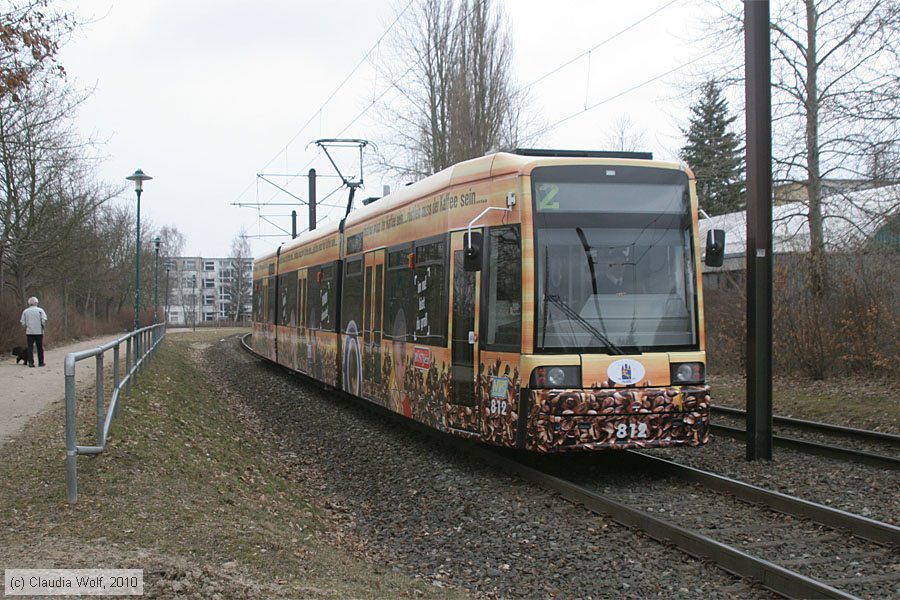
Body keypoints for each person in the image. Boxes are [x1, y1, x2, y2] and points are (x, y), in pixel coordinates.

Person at [20, 296, 48, 368]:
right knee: (39, 347)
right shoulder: (40, 310)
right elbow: (43, 320)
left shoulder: (25, 311)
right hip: (39, 332)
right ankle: (41, 362)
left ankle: (31, 363)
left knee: (30, 348)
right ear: (36, 303)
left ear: (29, 303)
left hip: (29, 332)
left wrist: (26, 327)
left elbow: (23, 322)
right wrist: (43, 327)